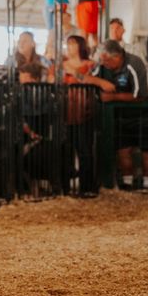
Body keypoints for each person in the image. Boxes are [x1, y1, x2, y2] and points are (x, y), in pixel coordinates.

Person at [83, 40, 148, 190]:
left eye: (106, 60)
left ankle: (147, 189)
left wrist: (113, 97)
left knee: (147, 151)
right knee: (123, 150)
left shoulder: (134, 64)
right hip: (124, 115)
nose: (103, 63)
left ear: (117, 57)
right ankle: (127, 187)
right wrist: (99, 81)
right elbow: (82, 77)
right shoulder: (103, 64)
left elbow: (141, 96)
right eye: (102, 59)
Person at [62, 35, 98, 197]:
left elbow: (91, 81)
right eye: (68, 44)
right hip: (65, 112)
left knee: (85, 151)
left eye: (73, 43)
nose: (69, 46)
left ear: (80, 46)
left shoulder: (90, 64)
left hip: (84, 111)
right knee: (65, 151)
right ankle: (65, 188)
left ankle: (86, 188)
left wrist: (73, 72)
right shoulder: (60, 65)